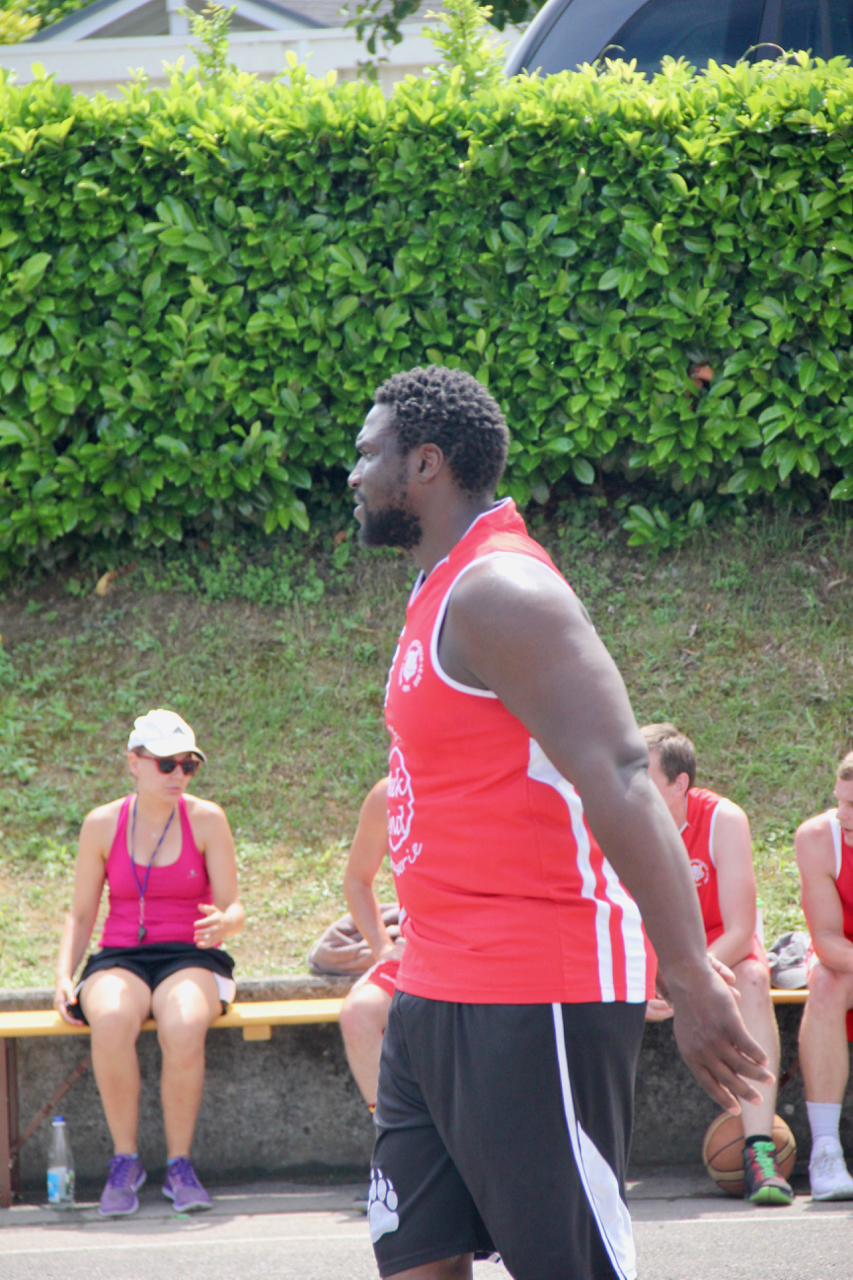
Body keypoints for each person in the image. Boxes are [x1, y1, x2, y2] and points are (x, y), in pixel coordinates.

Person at [347, 364, 772, 1280]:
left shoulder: (503, 589)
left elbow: (619, 772)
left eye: (368, 452)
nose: (354, 473)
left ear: (425, 464)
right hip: (432, 987)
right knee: (415, 1259)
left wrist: (687, 972)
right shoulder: (436, 586)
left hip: (533, 985)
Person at [54, 709, 245, 1217]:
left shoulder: (207, 818)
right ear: (134, 763)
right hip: (121, 954)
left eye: (188, 765)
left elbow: (234, 906)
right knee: (111, 1017)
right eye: (166, 764)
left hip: (190, 953)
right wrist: (62, 976)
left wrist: (226, 923)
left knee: (183, 1023)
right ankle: (126, 1160)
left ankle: (179, 1164)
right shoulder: (102, 824)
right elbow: (80, 913)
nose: (178, 775)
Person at [639, 722, 792, 1206]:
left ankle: (759, 1150)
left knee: (754, 976)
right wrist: (645, 978)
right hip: (650, 957)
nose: (630, 787)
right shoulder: (620, 821)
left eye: (643, 776)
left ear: (679, 783)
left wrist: (685, 980)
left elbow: (741, 930)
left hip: (715, 951)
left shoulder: (724, 819)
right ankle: (588, 1155)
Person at [795, 750, 853, 1200]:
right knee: (826, 982)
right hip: (846, 958)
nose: (842, 814)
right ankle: (826, 1149)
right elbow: (828, 940)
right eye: (840, 800)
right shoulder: (818, 837)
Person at [339, 777, 404, 1112]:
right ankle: (394, 1137)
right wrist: (383, 947)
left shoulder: (499, 781)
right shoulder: (389, 793)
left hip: (491, 953)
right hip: (421, 954)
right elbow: (356, 880)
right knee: (358, 1014)